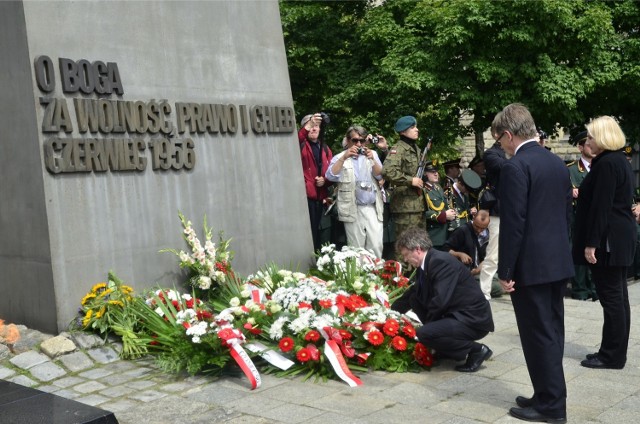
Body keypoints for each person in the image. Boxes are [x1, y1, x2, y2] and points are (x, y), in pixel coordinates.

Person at [496, 103, 573, 423]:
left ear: (509, 135)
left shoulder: (516, 167)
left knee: (538, 335)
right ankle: (544, 393)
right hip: (555, 261)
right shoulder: (556, 163)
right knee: (552, 332)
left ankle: (552, 405)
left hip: (532, 265)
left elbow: (514, 224)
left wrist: (506, 270)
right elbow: (565, 214)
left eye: (499, 140)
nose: (500, 146)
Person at [572, 116, 635, 371]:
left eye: (590, 137)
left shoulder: (608, 163)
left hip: (608, 239)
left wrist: (592, 243)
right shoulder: (617, 160)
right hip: (618, 236)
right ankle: (613, 351)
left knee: (612, 299)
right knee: (618, 299)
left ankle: (611, 355)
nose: (587, 142)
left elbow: (601, 207)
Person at [391, 227, 494, 373]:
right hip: (456, 314)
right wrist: (390, 312)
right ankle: (445, 347)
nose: (405, 259)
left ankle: (477, 350)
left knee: (424, 333)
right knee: (415, 298)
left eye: (406, 255)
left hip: (471, 319)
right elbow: (413, 292)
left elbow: (440, 300)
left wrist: (431, 330)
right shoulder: (426, 263)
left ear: (418, 249)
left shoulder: (440, 262)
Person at [325, 126, 385, 258]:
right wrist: (344, 157)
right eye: (355, 140)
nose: (359, 144)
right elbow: (330, 176)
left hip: (372, 207)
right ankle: (359, 277)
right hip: (352, 207)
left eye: (362, 141)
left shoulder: (372, 154)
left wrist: (373, 160)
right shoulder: (340, 157)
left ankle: (376, 276)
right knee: (356, 248)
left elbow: (381, 176)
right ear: (348, 140)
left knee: (376, 245)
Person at [382, 116, 427, 259]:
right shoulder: (398, 149)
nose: (417, 130)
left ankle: (417, 278)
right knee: (405, 247)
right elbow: (387, 171)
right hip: (404, 207)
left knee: (420, 247)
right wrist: (410, 180)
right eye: (413, 128)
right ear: (403, 131)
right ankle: (402, 280)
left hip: (418, 205)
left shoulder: (416, 148)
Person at [479, 121, 508, 300]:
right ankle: (484, 292)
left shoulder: (515, 153)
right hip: (498, 210)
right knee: (493, 254)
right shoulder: (491, 154)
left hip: (515, 211)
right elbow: (505, 168)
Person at [567, 131, 597, 301]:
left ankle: (594, 288)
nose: (591, 147)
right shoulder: (571, 170)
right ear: (580, 147)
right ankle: (580, 289)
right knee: (577, 250)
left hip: (594, 217)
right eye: (587, 144)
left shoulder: (600, 166)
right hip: (576, 217)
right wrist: (570, 191)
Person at [298, 113, 333, 252]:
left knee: (322, 238)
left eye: (317, 126)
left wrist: (325, 181)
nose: (314, 129)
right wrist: (309, 124)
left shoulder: (324, 148)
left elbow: (333, 171)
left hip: (322, 199)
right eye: (311, 126)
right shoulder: (300, 144)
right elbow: (298, 138)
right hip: (305, 199)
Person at [444, 209, 490, 277]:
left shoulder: (489, 233)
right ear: (473, 218)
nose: (479, 230)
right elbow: (445, 249)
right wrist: (459, 254)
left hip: (483, 270)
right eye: (476, 226)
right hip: (464, 273)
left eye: (482, 228)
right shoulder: (462, 231)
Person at [424, 162, 457, 250]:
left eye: (436, 171)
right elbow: (423, 212)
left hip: (445, 232)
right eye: (432, 172)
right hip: (433, 234)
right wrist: (444, 215)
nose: (436, 174)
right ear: (425, 174)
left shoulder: (438, 187)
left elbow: (446, 205)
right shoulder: (422, 190)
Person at [445, 169, 481, 233]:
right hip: (455, 232)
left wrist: (471, 211)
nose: (467, 191)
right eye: (466, 188)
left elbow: (464, 210)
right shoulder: (448, 193)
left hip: (465, 229)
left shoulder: (464, 194)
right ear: (460, 183)